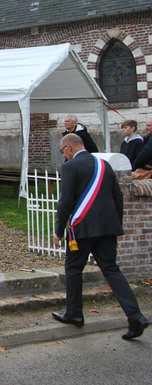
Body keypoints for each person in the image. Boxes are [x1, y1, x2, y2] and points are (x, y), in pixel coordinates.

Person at [52, 133, 149, 340]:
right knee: (112, 270)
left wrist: (58, 231)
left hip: (82, 228)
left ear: (68, 148)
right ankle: (136, 316)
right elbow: (118, 196)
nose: (64, 156)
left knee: (74, 269)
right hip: (107, 227)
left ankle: (75, 314)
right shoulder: (104, 165)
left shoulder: (70, 167)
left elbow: (65, 202)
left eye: (63, 151)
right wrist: (115, 225)